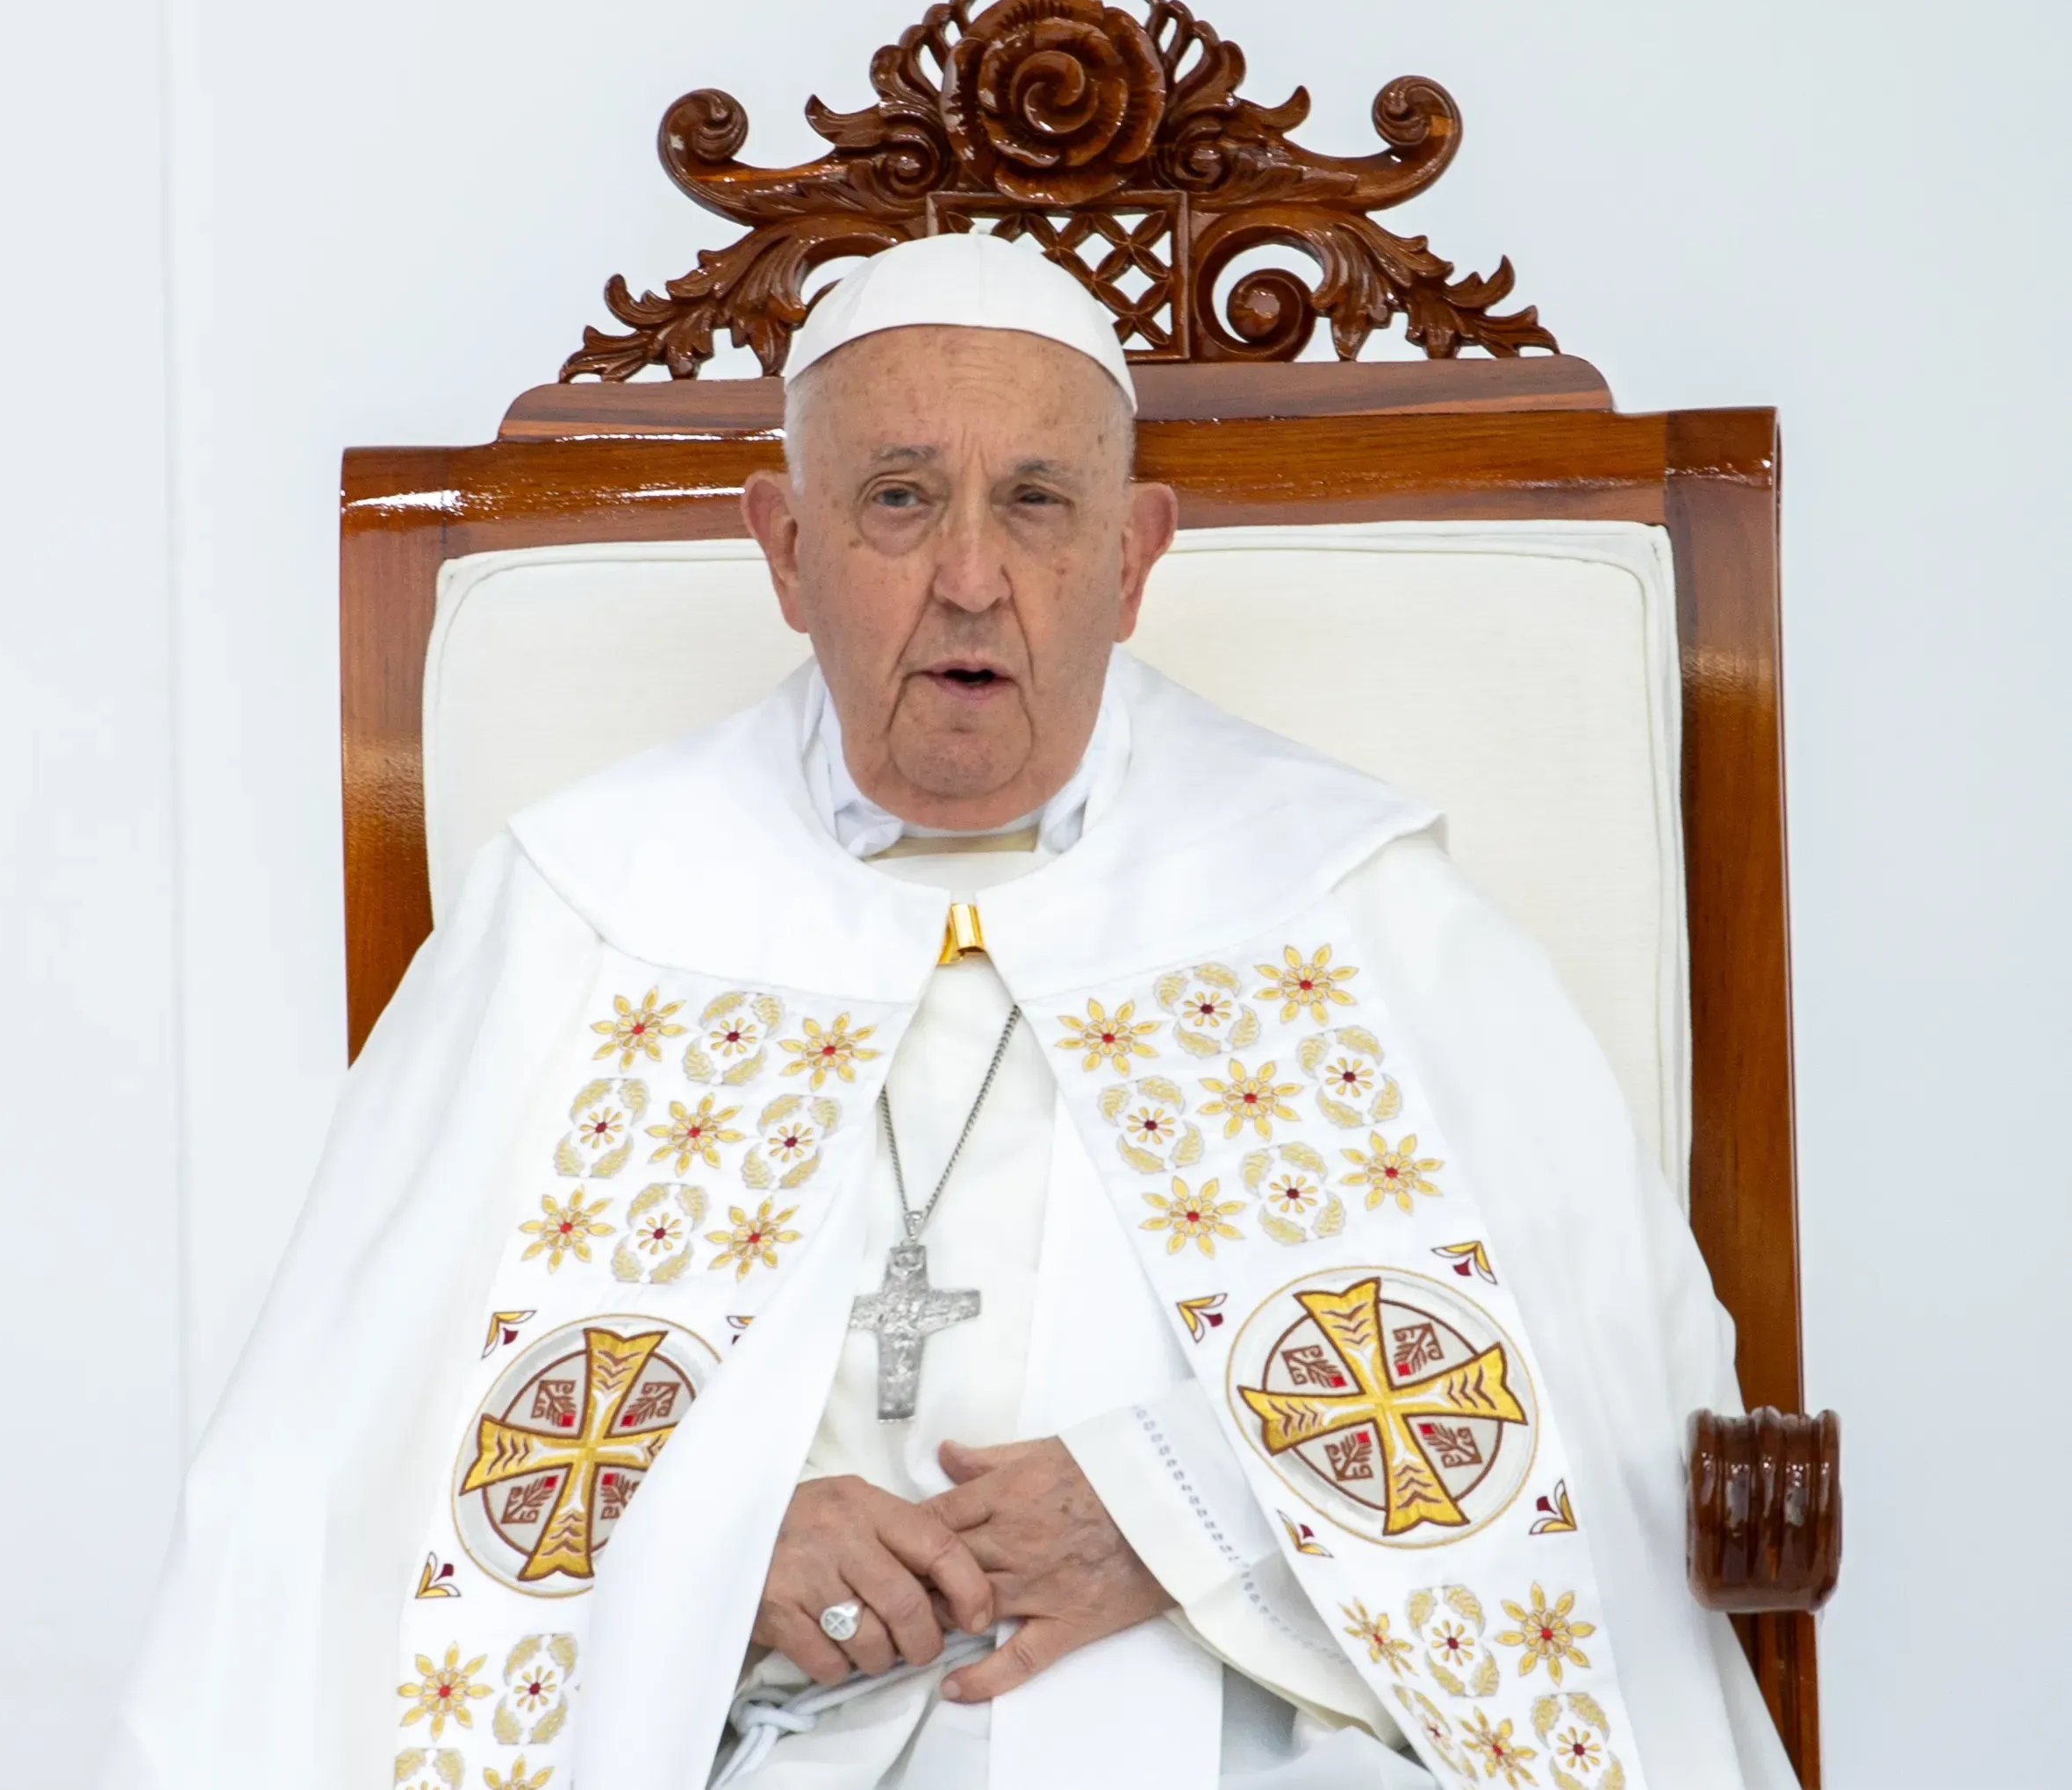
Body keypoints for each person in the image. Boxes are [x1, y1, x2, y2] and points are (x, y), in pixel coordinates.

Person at [108, 233, 1798, 1789]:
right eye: (901, 500)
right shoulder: (588, 905)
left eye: (1041, 504)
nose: (974, 576)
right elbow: (327, 1470)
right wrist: (706, 1546)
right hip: (757, 1737)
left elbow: (1615, 1405)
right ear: (783, 547)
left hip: (1241, 1726)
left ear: (1134, 560)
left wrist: (1188, 1507)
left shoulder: (1339, 892)